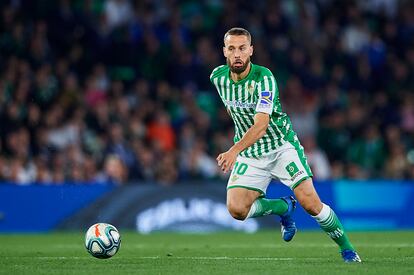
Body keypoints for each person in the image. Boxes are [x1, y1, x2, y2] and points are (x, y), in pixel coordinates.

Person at [210, 27, 361, 263]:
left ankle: (347, 249)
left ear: (251, 50)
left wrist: (233, 150)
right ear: (224, 52)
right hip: (251, 153)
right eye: (231, 49)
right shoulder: (217, 78)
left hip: (281, 148)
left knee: (311, 204)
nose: (237, 54)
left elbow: (261, 125)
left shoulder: (264, 78)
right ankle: (282, 208)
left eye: (242, 48)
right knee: (236, 209)